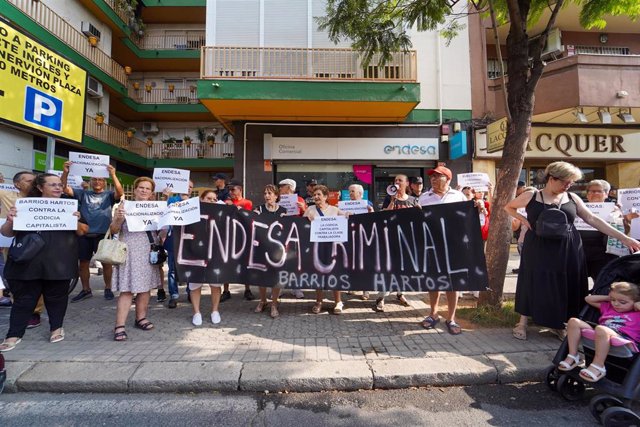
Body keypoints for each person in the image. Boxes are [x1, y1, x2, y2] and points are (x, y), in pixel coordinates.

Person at [505, 161, 640, 341]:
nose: (568, 186)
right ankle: (522, 322)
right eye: (565, 182)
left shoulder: (572, 198)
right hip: (538, 245)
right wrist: (522, 219)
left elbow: (593, 219)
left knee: (564, 283)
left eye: (571, 183)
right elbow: (508, 207)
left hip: (567, 246)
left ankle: (559, 323)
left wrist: (624, 238)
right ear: (552, 179)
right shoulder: (532, 194)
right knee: (533, 279)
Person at [0, 173, 88, 352]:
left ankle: (56, 328)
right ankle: (13, 334)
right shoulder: (25, 205)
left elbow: (83, 231)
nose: (58, 188)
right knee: (24, 299)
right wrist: (10, 220)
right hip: (28, 261)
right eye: (53, 185)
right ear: (40, 188)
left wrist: (76, 220)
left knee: (56, 296)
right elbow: (7, 233)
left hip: (59, 260)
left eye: (59, 185)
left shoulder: (68, 204)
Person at [110, 177, 166, 341]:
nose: (144, 190)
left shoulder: (156, 208)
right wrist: (119, 218)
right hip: (130, 251)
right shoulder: (123, 206)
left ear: (151, 193)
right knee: (127, 290)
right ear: (134, 190)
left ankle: (140, 318)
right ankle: (119, 325)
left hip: (149, 251)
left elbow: (161, 233)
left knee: (145, 288)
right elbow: (113, 229)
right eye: (141, 187)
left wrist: (165, 229)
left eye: (147, 189)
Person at [62, 161, 124, 302]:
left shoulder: (108, 195)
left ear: (104, 182)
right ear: (90, 181)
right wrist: (66, 172)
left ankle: (108, 288)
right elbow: (64, 188)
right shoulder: (82, 194)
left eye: (100, 179)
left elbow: (120, 192)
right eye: (94, 179)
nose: (97, 181)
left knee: (106, 263)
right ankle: (86, 290)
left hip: (104, 235)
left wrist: (113, 174)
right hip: (84, 234)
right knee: (83, 264)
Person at [558, 282, 640, 383]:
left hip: (624, 339)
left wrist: (637, 304)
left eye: (622, 302)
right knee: (573, 321)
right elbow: (588, 299)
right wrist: (608, 298)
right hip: (601, 334)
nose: (616, 304)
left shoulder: (637, 313)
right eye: (613, 300)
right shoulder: (608, 307)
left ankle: (598, 366)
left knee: (601, 329)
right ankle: (573, 356)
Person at [419, 166, 468, 334]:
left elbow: (466, 218)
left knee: (452, 282)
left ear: (447, 180)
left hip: (453, 246)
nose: (432, 179)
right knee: (433, 281)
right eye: (431, 177)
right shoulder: (424, 198)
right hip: (432, 246)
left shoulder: (458, 196)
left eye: (437, 176)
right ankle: (433, 314)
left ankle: (451, 318)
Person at [374, 174, 420, 312]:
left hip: (406, 240)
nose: (397, 182)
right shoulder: (389, 198)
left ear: (406, 183)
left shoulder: (413, 200)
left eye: (400, 180)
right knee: (388, 268)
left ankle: (400, 294)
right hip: (391, 239)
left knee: (403, 268)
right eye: (395, 181)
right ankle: (381, 297)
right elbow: (384, 215)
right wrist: (392, 201)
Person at [304, 185, 349, 314]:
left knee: (335, 274)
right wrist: (306, 220)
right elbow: (302, 227)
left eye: (319, 194)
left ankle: (338, 302)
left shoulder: (334, 210)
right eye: (314, 194)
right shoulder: (310, 209)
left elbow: (346, 217)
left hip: (333, 248)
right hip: (317, 248)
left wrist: (349, 214)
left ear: (325, 196)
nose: (316, 197)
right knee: (318, 275)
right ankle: (319, 301)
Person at [0, 171, 36, 310]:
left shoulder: (42, 198)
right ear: (17, 184)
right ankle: (18, 305)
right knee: (15, 277)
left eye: (34, 180)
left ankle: (35, 311)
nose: (33, 183)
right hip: (12, 243)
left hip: (35, 245)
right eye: (28, 181)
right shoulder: (6, 195)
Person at [189, 190, 223, 325]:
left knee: (215, 283)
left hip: (214, 252)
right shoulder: (191, 213)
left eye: (214, 199)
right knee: (195, 283)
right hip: (194, 252)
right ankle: (196, 312)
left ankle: (215, 310)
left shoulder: (221, 213)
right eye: (209, 199)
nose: (212, 201)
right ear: (201, 199)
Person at [253, 184, 287, 318]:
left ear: (276, 196)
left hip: (278, 249)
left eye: (270, 193)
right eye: (265, 193)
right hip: (262, 247)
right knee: (262, 276)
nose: (267, 196)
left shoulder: (283, 210)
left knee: (275, 276)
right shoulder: (259, 209)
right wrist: (252, 216)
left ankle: (274, 303)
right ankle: (262, 300)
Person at [162, 180, 194, 308]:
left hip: (190, 240)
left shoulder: (195, 203)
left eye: (191, 187)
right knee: (172, 270)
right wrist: (165, 197)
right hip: (174, 239)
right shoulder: (171, 200)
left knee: (190, 269)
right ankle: (174, 296)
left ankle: (190, 293)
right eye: (187, 186)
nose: (189, 189)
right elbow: (163, 213)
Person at [221, 180, 254, 301]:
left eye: (233, 189)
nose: (231, 192)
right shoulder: (225, 203)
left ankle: (247, 289)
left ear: (240, 190)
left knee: (245, 263)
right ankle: (225, 290)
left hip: (242, 236)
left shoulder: (247, 202)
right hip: (228, 236)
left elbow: (247, 217)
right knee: (226, 263)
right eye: (229, 190)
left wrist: (234, 207)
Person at [579, 179, 618, 282]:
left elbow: (623, 231)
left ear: (606, 194)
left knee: (603, 285)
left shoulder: (615, 210)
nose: (595, 193)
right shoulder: (578, 208)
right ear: (587, 194)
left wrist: (622, 219)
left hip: (603, 255)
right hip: (581, 254)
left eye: (599, 191)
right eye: (592, 191)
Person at [278, 178, 307, 299]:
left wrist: (303, 208)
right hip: (282, 235)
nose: (279, 189)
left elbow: (306, 218)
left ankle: (296, 287)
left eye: (282, 186)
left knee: (295, 262)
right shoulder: (278, 200)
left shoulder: (300, 200)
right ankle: (279, 288)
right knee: (281, 260)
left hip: (296, 236)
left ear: (289, 187)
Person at [347, 184, 375, 300]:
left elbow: (373, 220)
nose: (350, 194)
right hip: (351, 237)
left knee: (364, 263)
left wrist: (371, 211)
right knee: (352, 263)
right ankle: (353, 285)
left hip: (363, 237)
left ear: (360, 193)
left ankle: (366, 289)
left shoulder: (367, 204)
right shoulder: (346, 205)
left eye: (352, 191)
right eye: (349, 192)